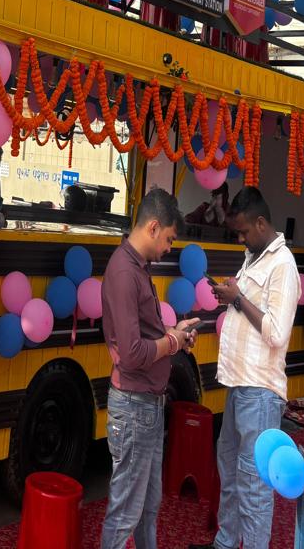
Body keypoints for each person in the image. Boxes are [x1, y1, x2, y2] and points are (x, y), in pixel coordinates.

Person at [191, 187, 300, 549]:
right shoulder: (254, 257)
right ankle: (224, 543)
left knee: (253, 484)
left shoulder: (283, 265)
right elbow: (251, 308)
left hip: (260, 391)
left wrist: (238, 297)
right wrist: (233, 295)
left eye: (242, 232)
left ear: (261, 222)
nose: (240, 238)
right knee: (232, 472)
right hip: (239, 385)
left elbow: (276, 332)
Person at [101, 188, 199, 549]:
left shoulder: (137, 268)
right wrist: (172, 341)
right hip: (133, 405)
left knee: (146, 507)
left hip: (146, 405)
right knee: (126, 511)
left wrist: (174, 334)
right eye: (170, 238)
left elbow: (144, 340)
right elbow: (131, 354)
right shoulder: (125, 272)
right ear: (154, 227)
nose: (170, 247)